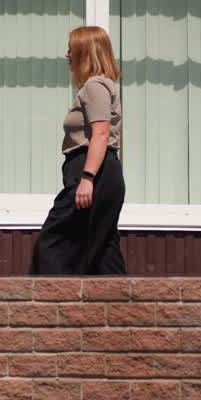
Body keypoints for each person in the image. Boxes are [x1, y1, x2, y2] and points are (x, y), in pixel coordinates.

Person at [29, 26, 126, 275]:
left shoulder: (94, 87)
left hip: (93, 171)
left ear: (85, 52)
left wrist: (87, 178)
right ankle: (120, 307)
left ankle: (47, 305)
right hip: (101, 171)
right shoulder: (101, 86)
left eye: (72, 49)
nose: (67, 55)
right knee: (103, 249)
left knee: (52, 243)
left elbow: (101, 133)